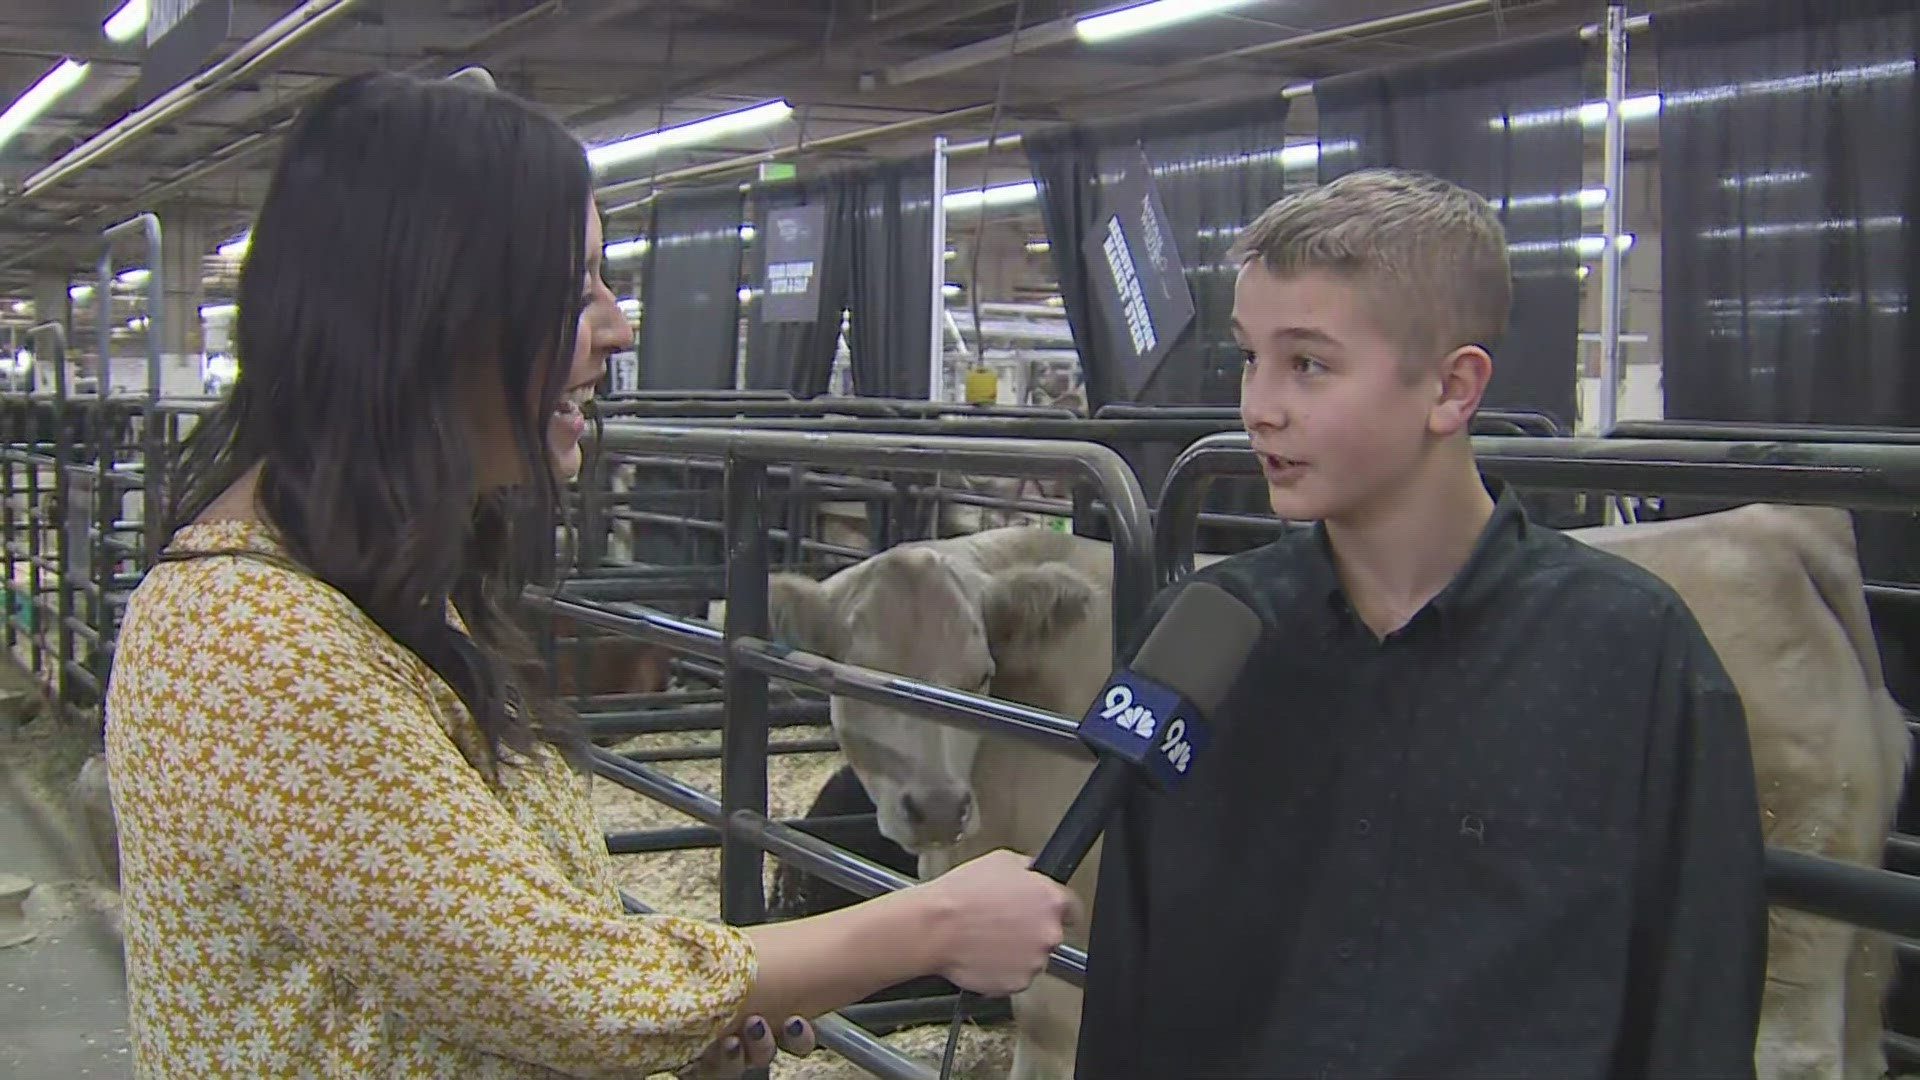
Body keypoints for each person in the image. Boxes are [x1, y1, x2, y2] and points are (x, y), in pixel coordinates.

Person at [102, 71, 1079, 1080]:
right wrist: (931, 924)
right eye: (576, 294)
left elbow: (479, 951)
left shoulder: (372, 593)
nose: (617, 327)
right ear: (435, 314)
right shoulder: (250, 645)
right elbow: (563, 986)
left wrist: (681, 1029)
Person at [1072, 168, 1768, 1078]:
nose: (1258, 406)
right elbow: (1131, 960)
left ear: (1452, 389)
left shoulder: (1632, 656)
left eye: (1308, 363)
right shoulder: (1204, 635)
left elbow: (1697, 1004)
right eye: (1250, 357)